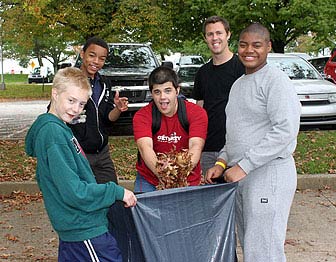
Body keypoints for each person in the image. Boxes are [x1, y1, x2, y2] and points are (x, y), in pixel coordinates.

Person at [206, 23, 301, 261]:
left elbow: (285, 130)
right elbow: (236, 135)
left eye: (257, 45)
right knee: (251, 247)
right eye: (244, 44)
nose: (249, 50)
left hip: (268, 174)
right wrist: (221, 162)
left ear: (268, 47)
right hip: (241, 176)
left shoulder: (275, 81)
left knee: (264, 251)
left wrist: (244, 166)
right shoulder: (238, 85)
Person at [25, 67, 137, 261]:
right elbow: (74, 192)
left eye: (82, 104)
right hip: (84, 229)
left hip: (78, 229)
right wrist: (116, 191)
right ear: (55, 93)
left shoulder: (62, 129)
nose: (76, 109)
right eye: (71, 100)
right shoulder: (54, 134)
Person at [133, 66, 208, 193]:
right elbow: (145, 148)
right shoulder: (142, 116)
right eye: (157, 92)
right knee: (143, 211)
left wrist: (178, 177)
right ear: (152, 93)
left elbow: (196, 146)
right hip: (150, 178)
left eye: (168, 91)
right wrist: (165, 177)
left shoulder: (196, 113)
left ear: (177, 91)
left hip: (187, 178)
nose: (163, 97)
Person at [69, 36, 128, 184]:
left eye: (102, 58)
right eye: (92, 55)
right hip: (78, 154)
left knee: (112, 195)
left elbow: (108, 118)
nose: (96, 62)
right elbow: (55, 113)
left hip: (102, 153)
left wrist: (118, 109)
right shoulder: (69, 81)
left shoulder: (104, 83)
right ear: (82, 54)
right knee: (84, 199)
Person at [192, 16, 245, 176]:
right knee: (211, 199)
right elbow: (199, 111)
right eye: (210, 34)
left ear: (228, 34)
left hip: (237, 148)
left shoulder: (242, 68)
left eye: (219, 33)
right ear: (205, 38)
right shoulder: (202, 73)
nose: (215, 38)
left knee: (238, 199)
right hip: (209, 148)